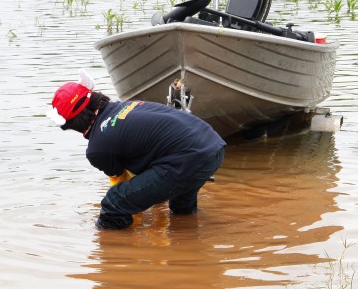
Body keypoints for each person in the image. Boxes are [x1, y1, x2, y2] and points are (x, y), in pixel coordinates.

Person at [48, 70, 226, 230]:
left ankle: (119, 256)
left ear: (72, 124)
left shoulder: (97, 149)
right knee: (180, 211)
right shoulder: (125, 106)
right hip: (212, 146)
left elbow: (120, 182)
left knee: (113, 203)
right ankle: (188, 245)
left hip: (187, 159)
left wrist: (134, 205)